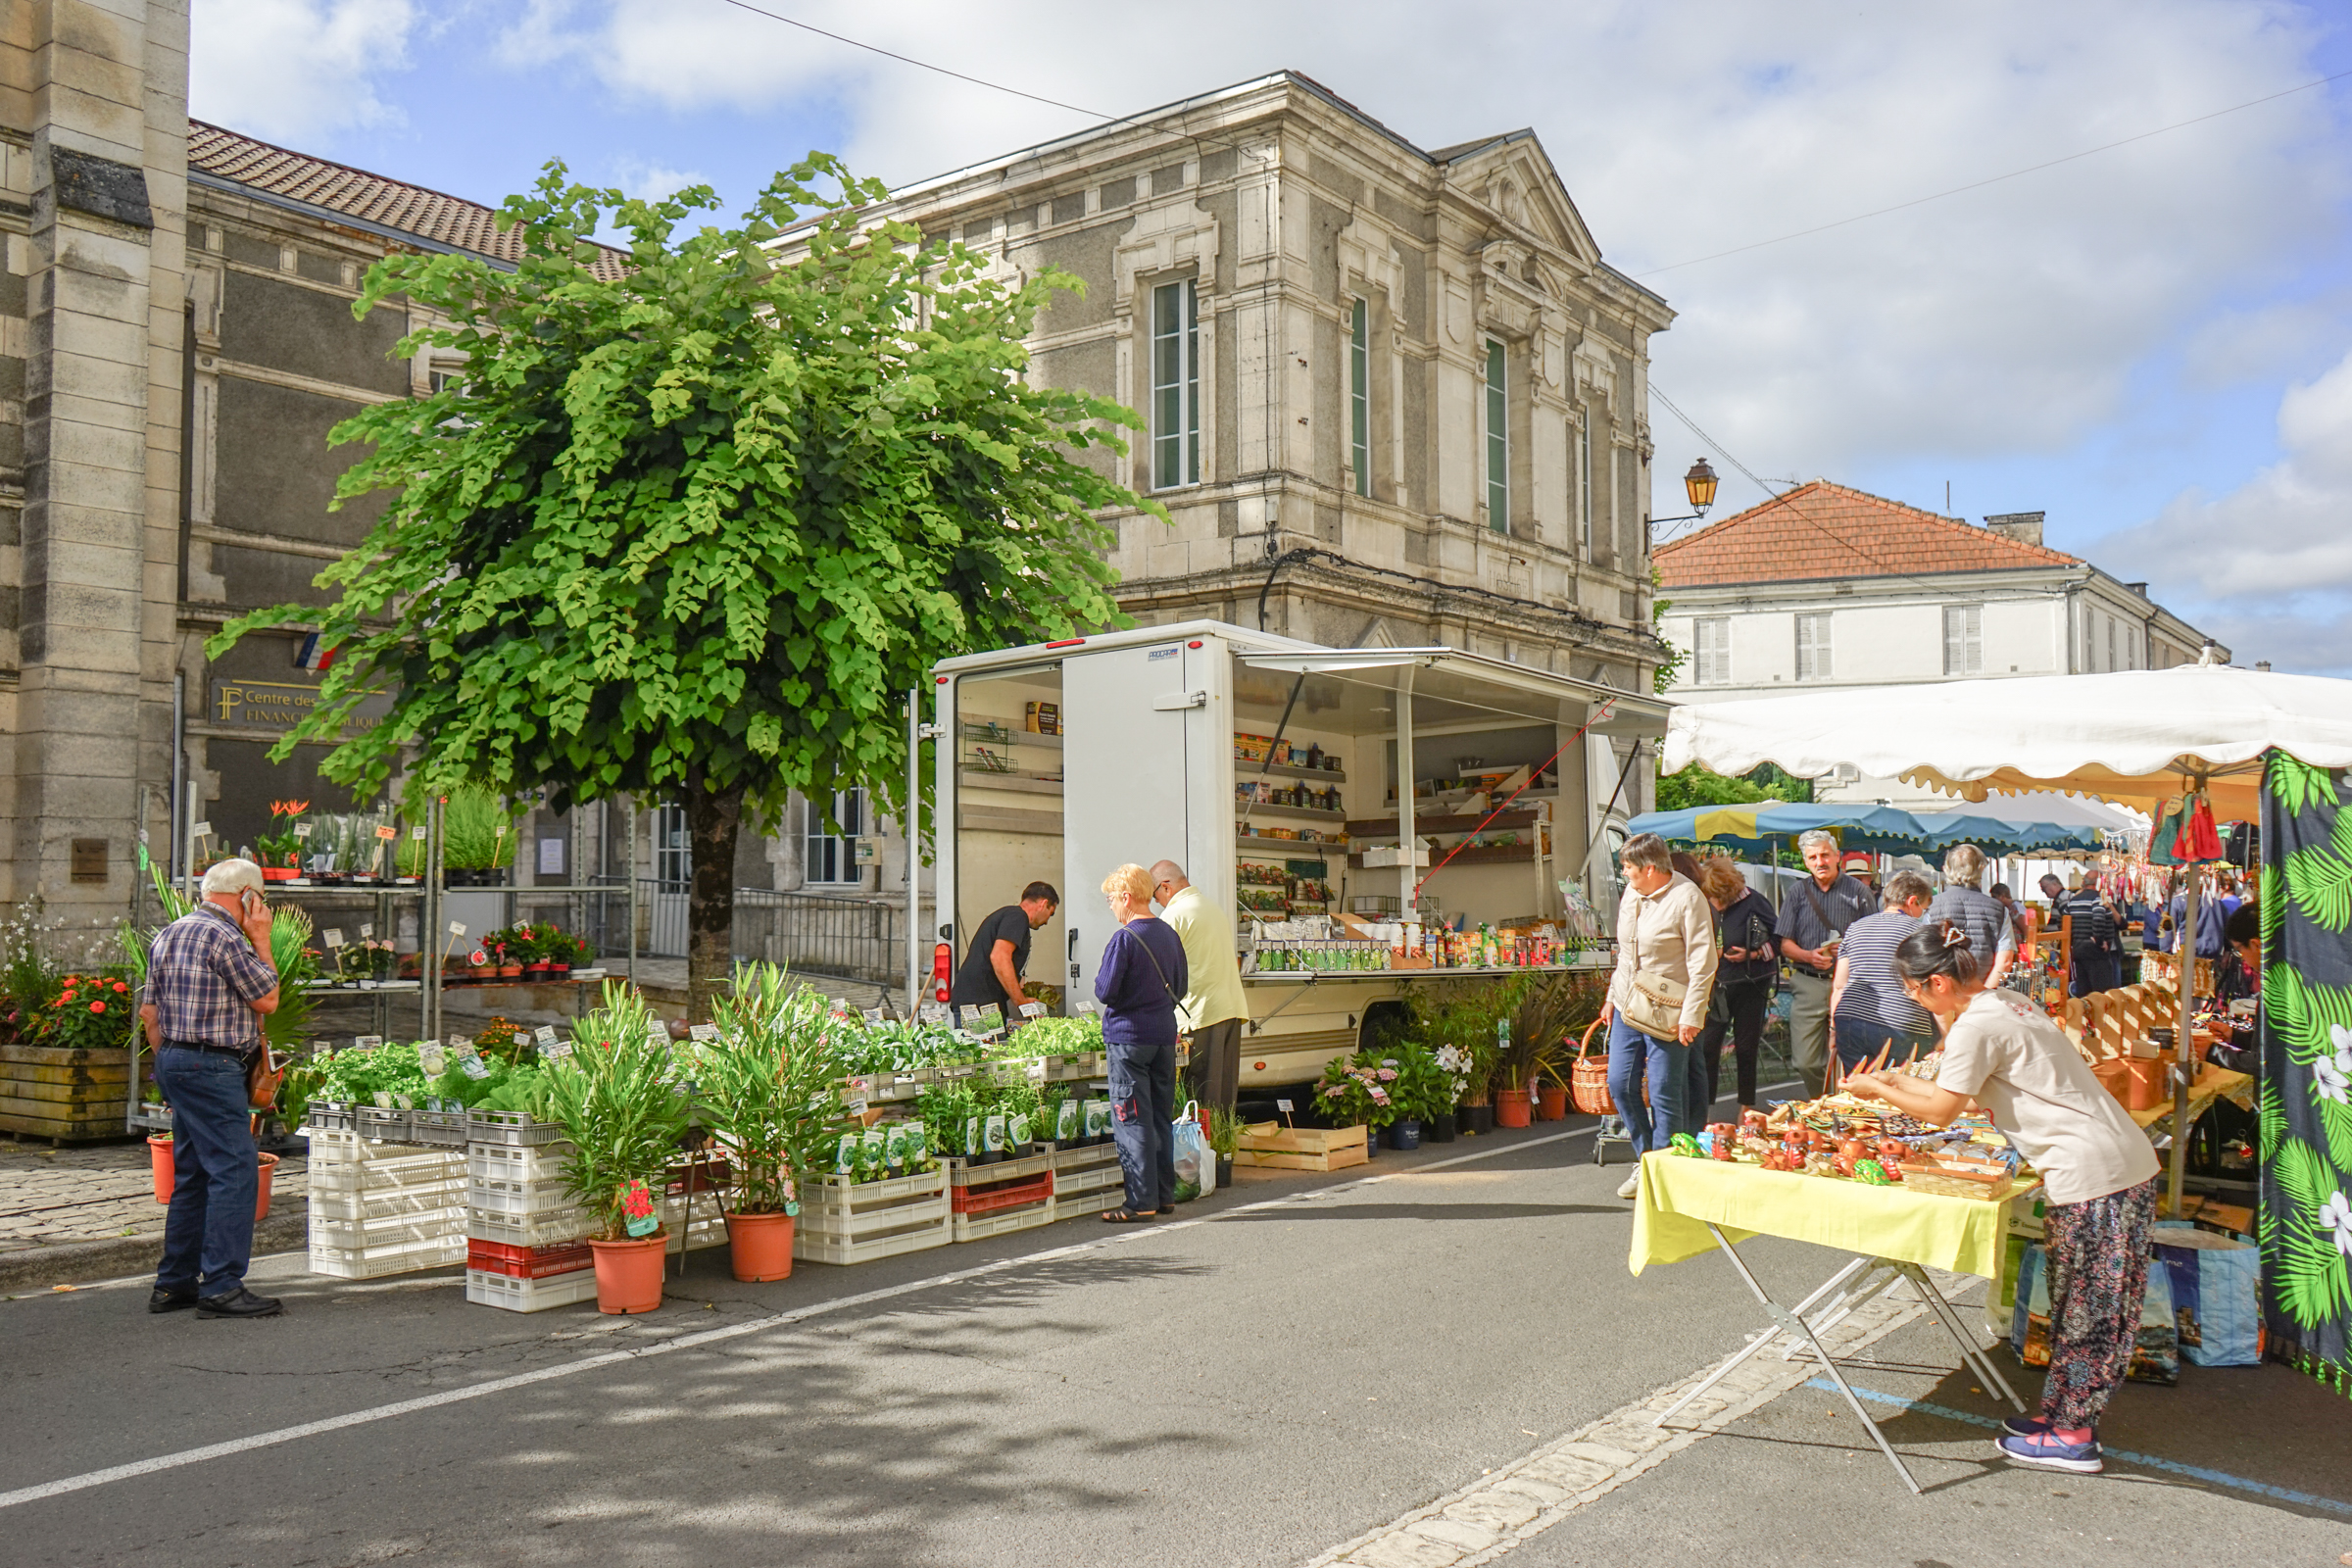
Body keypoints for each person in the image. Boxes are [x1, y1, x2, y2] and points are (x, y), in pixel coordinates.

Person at [1843, 923, 2160, 1475]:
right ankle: (2063, 1415)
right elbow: (1957, 1099)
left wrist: (1878, 1088)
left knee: (2088, 1308)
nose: (1912, 1000)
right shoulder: (2003, 1003)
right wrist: (1891, 1082)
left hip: (2094, 1172)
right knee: (2078, 1302)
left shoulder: (1976, 1028)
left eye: (1913, 989)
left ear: (1938, 983)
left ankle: (2073, 1435)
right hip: (2109, 1162)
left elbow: (1941, 1112)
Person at [138, 858, 285, 1319]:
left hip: (174, 1058)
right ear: (248, 896)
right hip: (213, 1064)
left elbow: (150, 1015)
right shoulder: (225, 936)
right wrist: (262, 939)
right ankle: (221, 1284)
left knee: (194, 1172)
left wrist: (172, 1062)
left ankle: (174, 1284)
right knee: (235, 1169)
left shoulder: (170, 932)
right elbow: (268, 998)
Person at [1597, 833, 1718, 1200]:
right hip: (1628, 1002)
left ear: (1651, 868)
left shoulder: (1687, 898)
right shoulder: (1632, 894)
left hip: (1671, 1010)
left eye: (1629, 869)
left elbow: (1703, 963)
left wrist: (1692, 1015)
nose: (1625, 876)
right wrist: (1610, 997)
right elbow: (1626, 955)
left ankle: (1666, 1171)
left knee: (1666, 1092)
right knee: (1619, 1083)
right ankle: (1647, 1159)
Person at [1094, 864, 1188, 1223]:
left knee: (1132, 1120)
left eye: (1111, 898)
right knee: (1161, 1117)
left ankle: (1140, 1201)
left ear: (1126, 897)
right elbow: (1182, 985)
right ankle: (1165, 1196)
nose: (1111, 906)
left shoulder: (1125, 939)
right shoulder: (1169, 934)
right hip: (1164, 1036)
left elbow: (1105, 991)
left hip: (1129, 1040)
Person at [1774, 829, 1878, 1098]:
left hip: (1852, 985)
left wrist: (1846, 950)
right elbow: (1784, 944)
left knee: (1851, 1056)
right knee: (1805, 1061)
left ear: (1837, 857)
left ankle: (1846, 1109)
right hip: (1808, 983)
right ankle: (1824, 1101)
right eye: (1813, 857)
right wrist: (1808, 955)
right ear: (1806, 863)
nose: (1820, 862)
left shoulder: (1859, 891)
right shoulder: (1797, 892)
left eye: (1824, 855)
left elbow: (1874, 940)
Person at [1150, 859, 1249, 1110]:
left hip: (1200, 1014)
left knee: (1198, 1098)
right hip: (1231, 1010)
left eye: (1155, 895)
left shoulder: (1174, 914)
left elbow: (1161, 971)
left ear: (1166, 887)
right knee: (1224, 1097)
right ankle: (1224, 1149)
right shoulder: (1211, 907)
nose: (1157, 902)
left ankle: (1201, 1151)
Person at [1830, 868, 1938, 1071]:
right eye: (1924, 907)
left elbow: (1840, 986)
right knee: (1901, 1093)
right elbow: (1932, 988)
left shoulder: (1855, 928)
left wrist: (1833, 1029)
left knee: (1861, 1092)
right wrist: (1947, 1035)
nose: (1923, 913)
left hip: (1849, 1019)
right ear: (1912, 901)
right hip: (1902, 1022)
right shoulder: (1919, 933)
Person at [1692, 858, 1776, 1113]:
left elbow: (1780, 940)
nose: (1713, 902)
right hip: (1716, 984)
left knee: (1746, 1047)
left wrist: (1752, 954)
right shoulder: (1703, 902)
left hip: (1751, 982)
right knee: (1708, 1048)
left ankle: (1746, 1109)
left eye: (1716, 897)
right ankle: (1702, 1112)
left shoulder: (1754, 901)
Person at [949, 882, 1057, 1014]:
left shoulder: (1010, 916)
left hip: (981, 1001)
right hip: (980, 1004)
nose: (1046, 922)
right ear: (1043, 903)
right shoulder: (1017, 917)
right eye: (1050, 913)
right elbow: (999, 957)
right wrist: (1021, 1002)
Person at [1923, 846, 2018, 990]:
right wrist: (1984, 996)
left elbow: (1925, 955)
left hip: (1944, 995)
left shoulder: (1931, 906)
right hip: (1984, 992)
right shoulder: (1999, 909)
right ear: (1981, 868)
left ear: (1946, 868)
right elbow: (2005, 961)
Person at [2056, 869, 2121, 996]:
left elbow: (2063, 922)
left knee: (2084, 991)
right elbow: (2098, 919)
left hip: (2078, 950)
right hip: (2096, 952)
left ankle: (2085, 1015)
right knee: (2102, 993)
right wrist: (2100, 941)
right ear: (2098, 883)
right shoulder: (2098, 899)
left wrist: (2073, 939)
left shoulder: (2073, 901)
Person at [1990, 883, 2030, 949]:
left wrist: (2027, 945)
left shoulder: (2015, 907)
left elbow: (2026, 928)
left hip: (2019, 946)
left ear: (2002, 896)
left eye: (1994, 897)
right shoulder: (2008, 907)